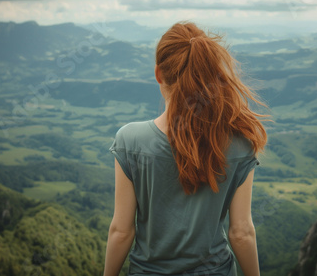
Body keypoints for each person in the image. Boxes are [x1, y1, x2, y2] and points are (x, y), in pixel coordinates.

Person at [103, 22, 268, 276]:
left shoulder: (130, 141)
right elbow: (242, 232)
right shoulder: (240, 144)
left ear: (158, 74)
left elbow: (122, 231)